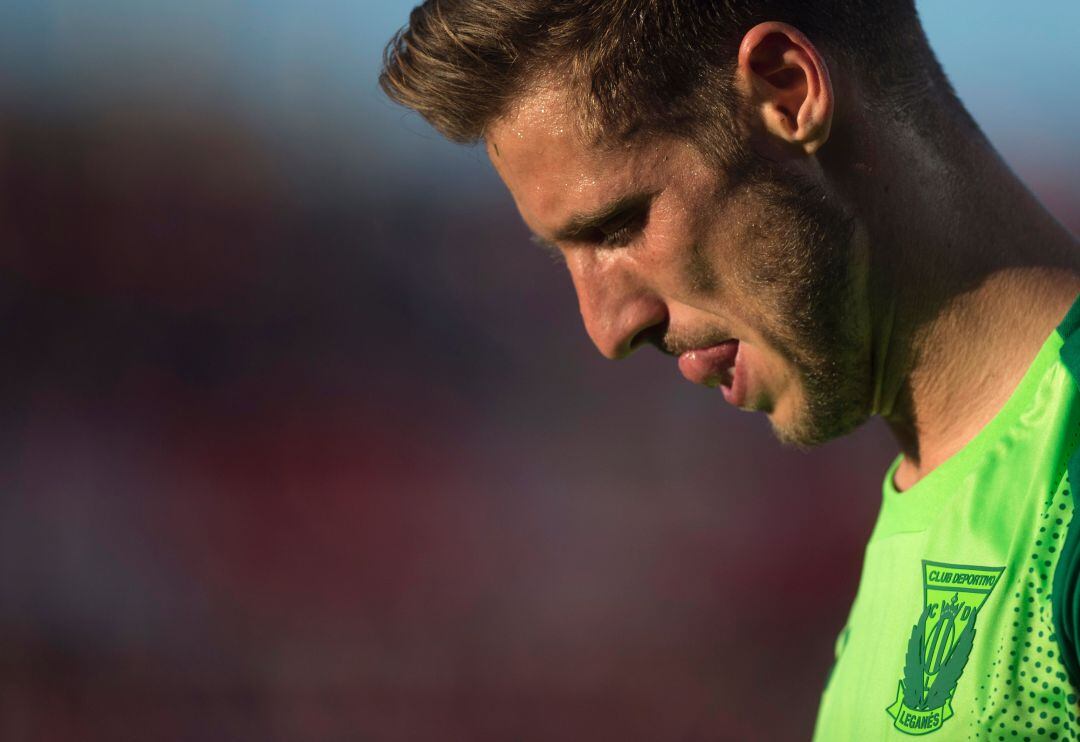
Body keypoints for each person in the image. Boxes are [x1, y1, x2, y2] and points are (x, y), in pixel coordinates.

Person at [379, 1, 1080, 738]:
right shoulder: (943, 499)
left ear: (788, 93)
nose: (608, 328)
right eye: (564, 257)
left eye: (620, 225)